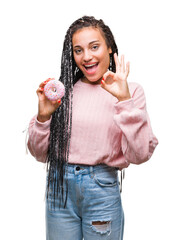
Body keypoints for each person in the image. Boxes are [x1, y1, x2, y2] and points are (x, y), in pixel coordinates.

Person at [27, 16, 158, 240]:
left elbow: (140, 155)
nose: (86, 57)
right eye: (78, 50)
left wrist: (124, 100)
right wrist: (43, 116)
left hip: (101, 188)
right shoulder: (63, 92)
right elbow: (40, 154)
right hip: (59, 189)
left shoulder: (132, 91)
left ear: (109, 48)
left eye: (94, 47)